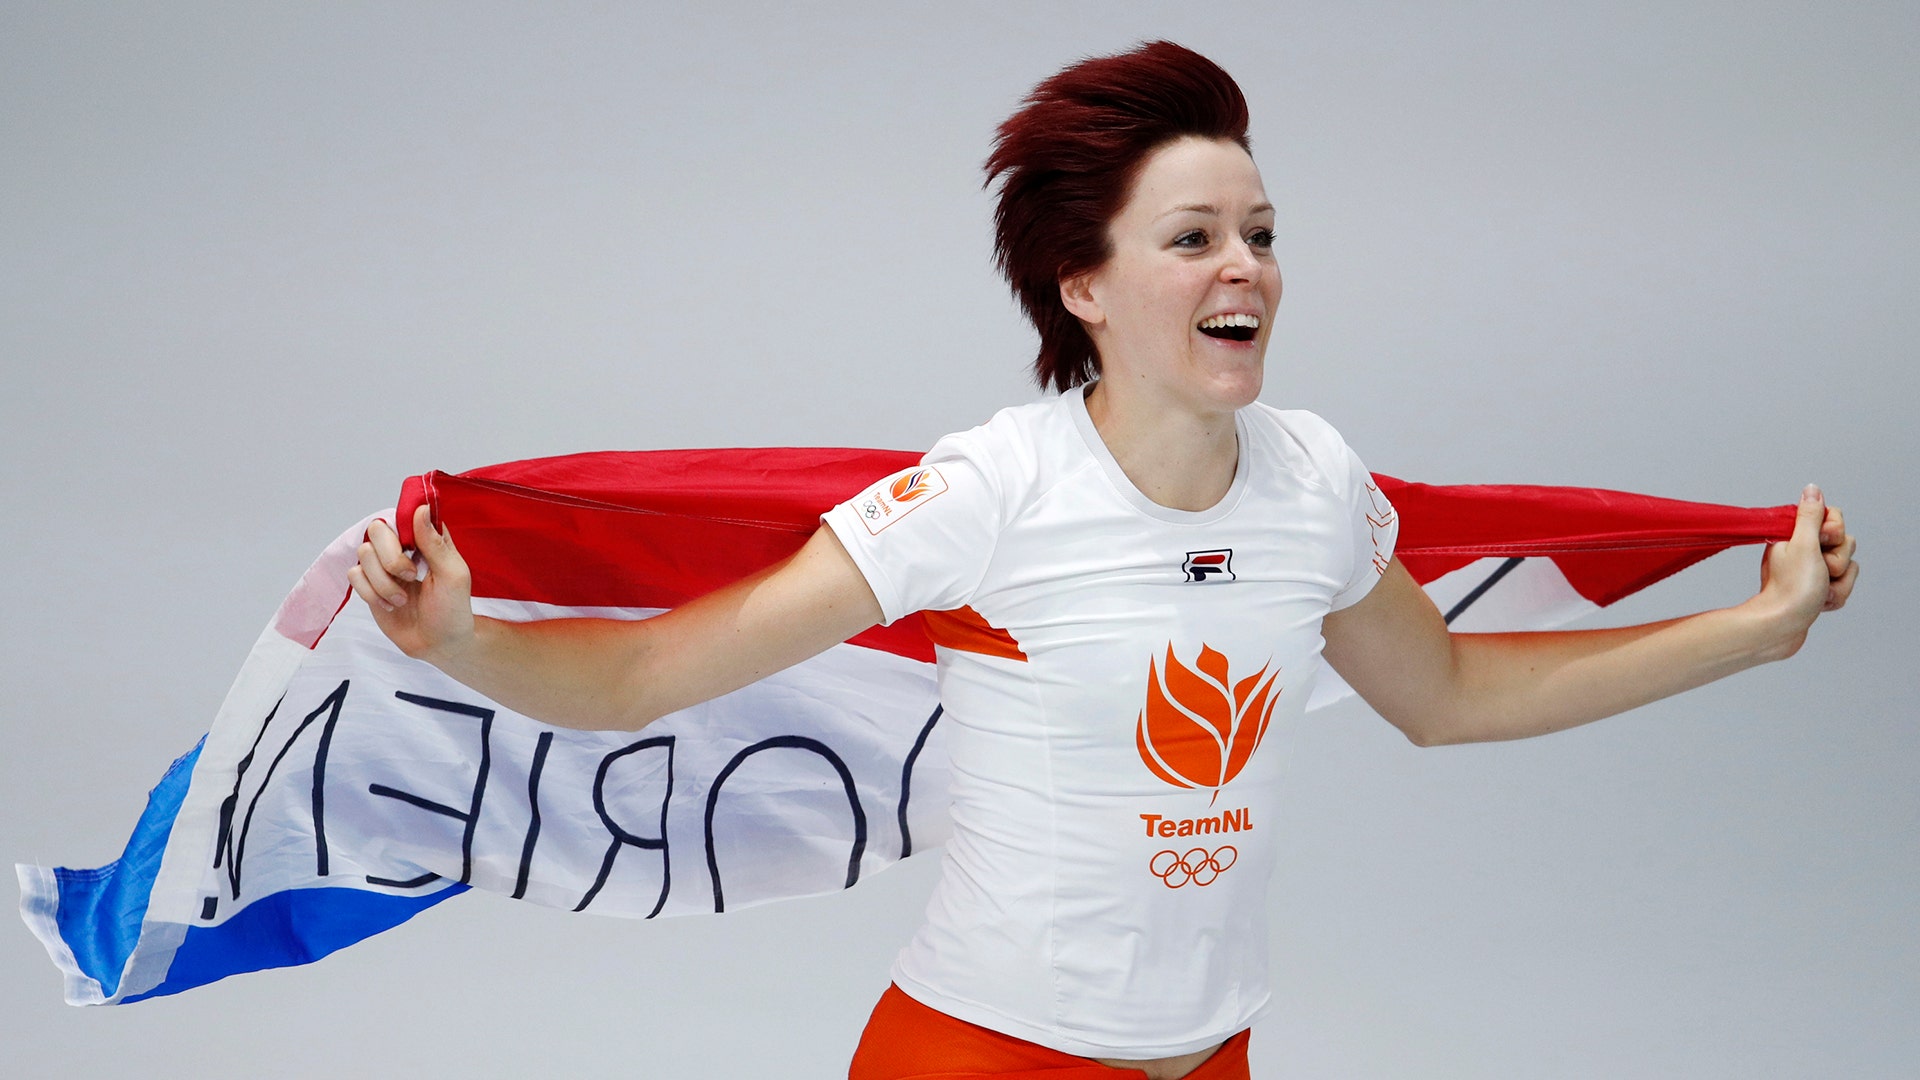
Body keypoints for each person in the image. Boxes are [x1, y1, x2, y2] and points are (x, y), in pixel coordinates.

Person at [346, 41, 1857, 1080]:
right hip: (981, 1056)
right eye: (1192, 237)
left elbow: (1448, 692)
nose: (1246, 265)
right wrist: (458, 641)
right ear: (1085, 285)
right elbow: (654, 671)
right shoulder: (989, 492)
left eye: (1260, 232)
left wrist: (1757, 628)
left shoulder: (1316, 482)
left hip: (1215, 1053)